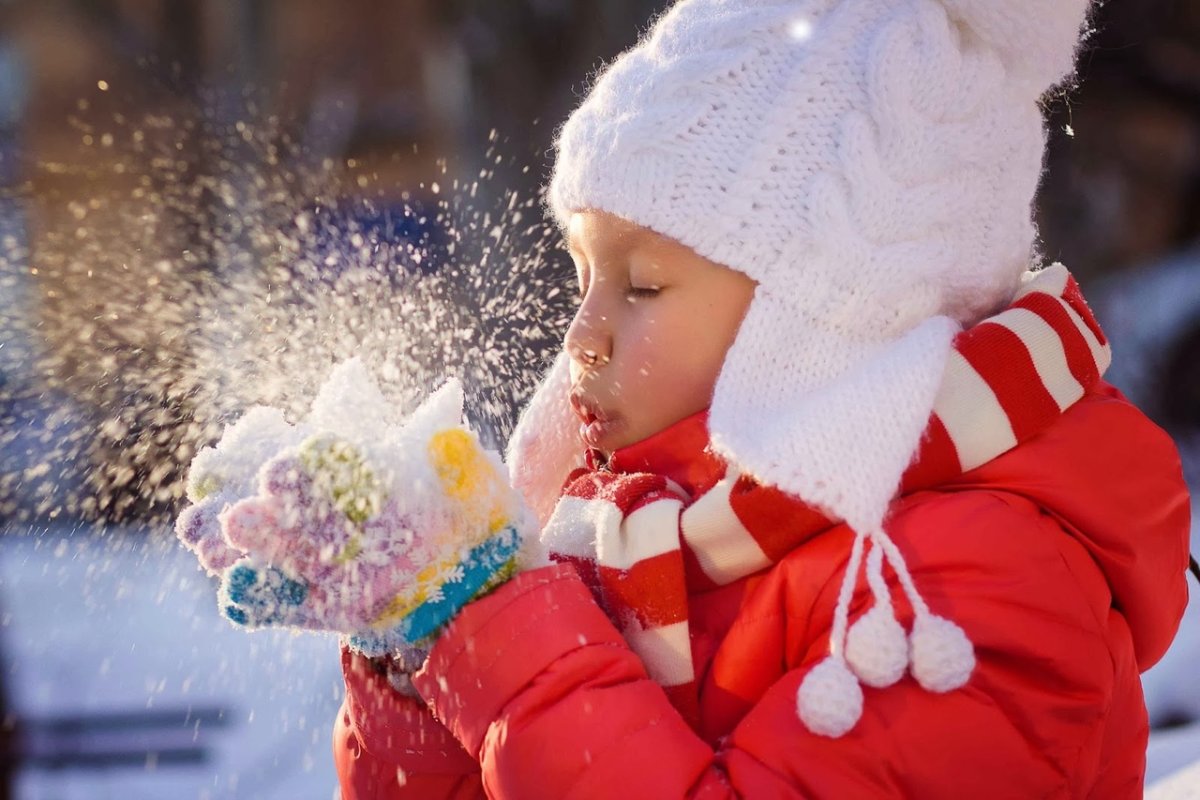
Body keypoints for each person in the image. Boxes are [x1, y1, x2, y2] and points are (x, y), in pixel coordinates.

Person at [333, 0, 1193, 797]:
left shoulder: (972, 581)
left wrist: (515, 645)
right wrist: (423, 644)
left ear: (834, 315)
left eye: (643, 285)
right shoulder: (635, 532)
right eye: (583, 275)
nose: (580, 335)